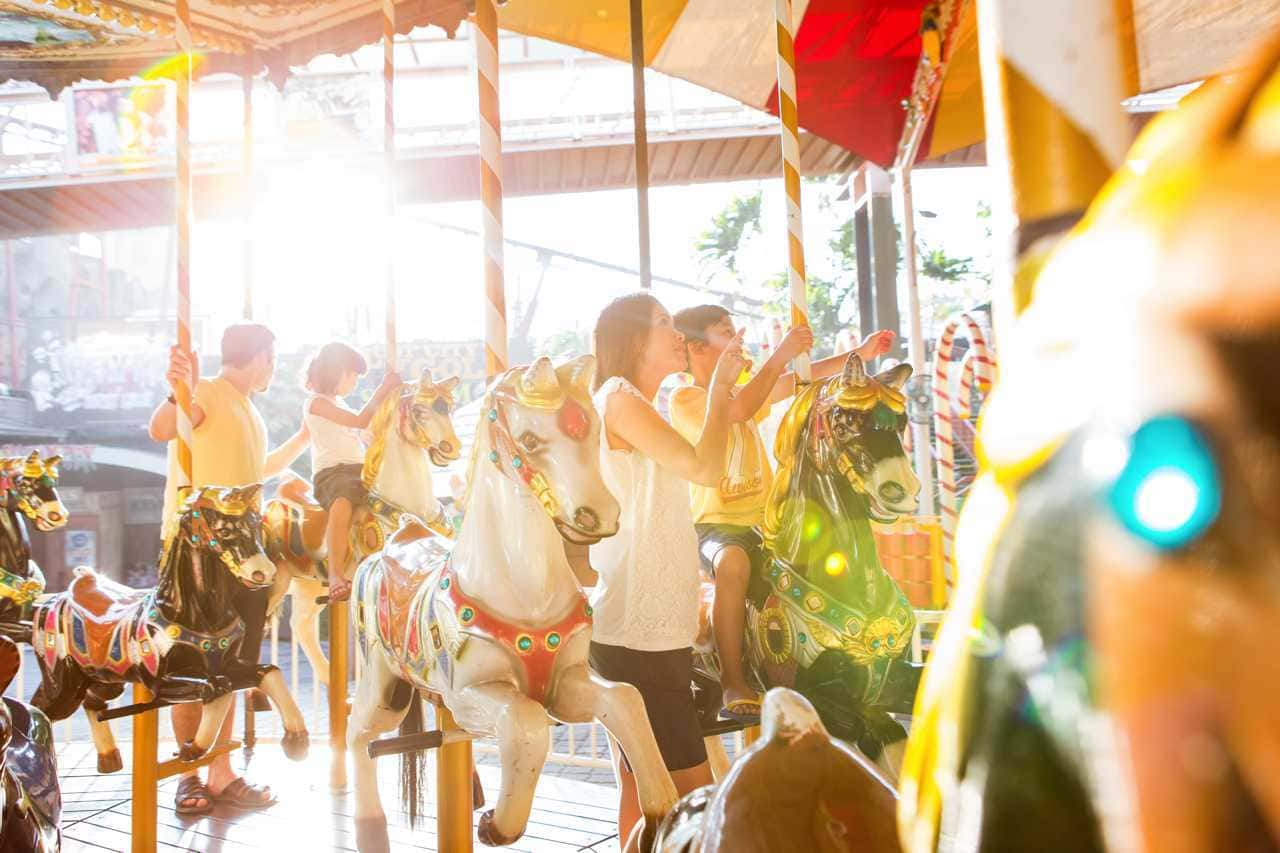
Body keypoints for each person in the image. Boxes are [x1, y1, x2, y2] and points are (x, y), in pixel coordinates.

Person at [668, 305, 895, 719]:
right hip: (715, 526)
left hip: (764, 520)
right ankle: (731, 680)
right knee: (733, 565)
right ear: (697, 348)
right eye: (726, 332)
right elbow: (733, 411)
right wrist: (780, 354)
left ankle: (839, 651)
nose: (737, 339)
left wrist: (858, 355)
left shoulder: (745, 392)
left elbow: (801, 381)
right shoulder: (686, 398)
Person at [588, 292, 747, 846]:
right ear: (633, 339)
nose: (677, 332)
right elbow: (705, 467)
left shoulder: (639, 403)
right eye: (662, 323)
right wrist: (721, 385)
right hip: (640, 629)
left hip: (646, 622)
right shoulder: (619, 397)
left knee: (643, 795)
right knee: (697, 801)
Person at [147, 323, 308, 815]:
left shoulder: (248, 408)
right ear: (256, 356)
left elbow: (257, 470)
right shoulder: (211, 393)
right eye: (272, 360)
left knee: (231, 664)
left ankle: (221, 772)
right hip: (199, 545)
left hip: (240, 546)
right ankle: (187, 773)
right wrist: (179, 389)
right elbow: (162, 428)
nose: (273, 370)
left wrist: (304, 436)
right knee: (191, 664)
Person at [302, 342, 401, 602]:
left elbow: (364, 432)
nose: (355, 382)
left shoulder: (340, 403)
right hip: (333, 475)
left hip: (360, 470)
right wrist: (382, 390)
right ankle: (335, 573)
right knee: (343, 501)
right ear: (336, 372)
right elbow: (359, 421)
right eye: (353, 375)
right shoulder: (316, 404)